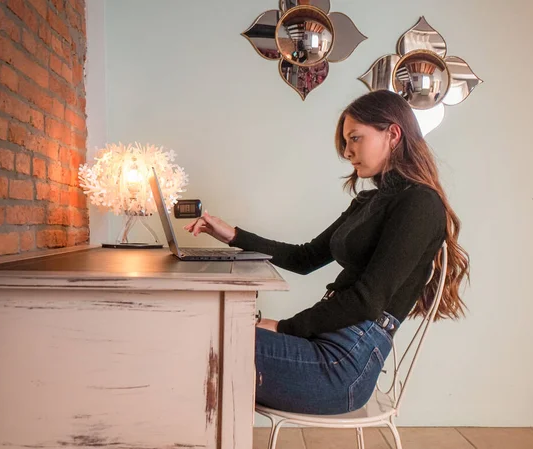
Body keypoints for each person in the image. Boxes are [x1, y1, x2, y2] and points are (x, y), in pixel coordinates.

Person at [184, 90, 470, 415]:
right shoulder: (369, 202)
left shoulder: (419, 203)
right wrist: (233, 234)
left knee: (209, 340)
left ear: (392, 134)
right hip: (329, 344)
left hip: (344, 364)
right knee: (209, 336)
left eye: (355, 139)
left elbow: (367, 301)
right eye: (346, 143)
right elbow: (305, 258)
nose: (348, 152)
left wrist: (284, 327)